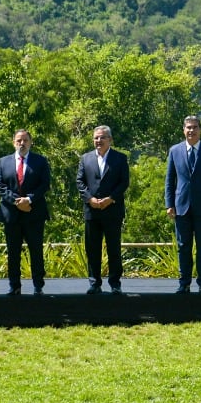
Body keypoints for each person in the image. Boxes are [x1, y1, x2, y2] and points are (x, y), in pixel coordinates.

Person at [164, 115, 201, 294]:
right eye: (188, 127)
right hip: (181, 207)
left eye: (195, 127)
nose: (191, 130)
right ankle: (184, 283)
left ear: (200, 130)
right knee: (183, 247)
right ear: (183, 130)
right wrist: (169, 204)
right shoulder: (175, 150)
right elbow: (169, 180)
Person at [0, 129, 51, 296]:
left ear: (30, 142)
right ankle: (14, 286)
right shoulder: (3, 162)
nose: (22, 143)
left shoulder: (40, 161)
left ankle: (38, 286)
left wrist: (29, 199)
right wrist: (16, 202)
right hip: (11, 215)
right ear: (13, 142)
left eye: (25, 140)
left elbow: (45, 184)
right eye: (19, 140)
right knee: (13, 252)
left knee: (36, 251)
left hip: (34, 213)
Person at [76, 125, 129, 295]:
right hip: (92, 210)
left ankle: (115, 283)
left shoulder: (120, 158)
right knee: (92, 249)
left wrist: (110, 199)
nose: (98, 141)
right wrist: (90, 199)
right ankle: (94, 283)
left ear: (110, 140)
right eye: (96, 138)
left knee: (114, 247)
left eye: (102, 137)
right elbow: (80, 182)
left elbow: (124, 182)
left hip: (112, 210)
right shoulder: (85, 158)